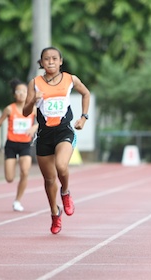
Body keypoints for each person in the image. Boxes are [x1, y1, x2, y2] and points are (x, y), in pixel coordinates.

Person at [23, 46, 91, 234]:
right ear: (42, 63)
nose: (51, 62)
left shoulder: (70, 79)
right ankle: (55, 212)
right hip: (44, 135)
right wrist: (33, 100)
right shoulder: (34, 83)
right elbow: (25, 112)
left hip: (64, 131)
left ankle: (66, 192)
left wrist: (83, 117)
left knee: (61, 166)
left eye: (54, 58)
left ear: (61, 61)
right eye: (46, 59)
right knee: (49, 179)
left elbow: (86, 93)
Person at [0, 78, 38, 212]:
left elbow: (43, 121)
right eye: (19, 91)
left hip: (25, 145)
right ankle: (12, 166)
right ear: (14, 94)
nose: (22, 94)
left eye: (24, 91)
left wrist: (35, 127)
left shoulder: (33, 109)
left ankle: (17, 200)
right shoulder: (9, 109)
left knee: (25, 172)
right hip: (11, 145)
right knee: (10, 178)